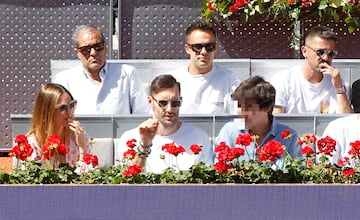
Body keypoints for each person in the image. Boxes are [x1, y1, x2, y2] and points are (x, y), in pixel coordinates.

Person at [116, 74, 214, 174]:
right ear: (150, 101)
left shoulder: (199, 138)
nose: (169, 109)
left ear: (181, 101)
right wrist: (144, 146)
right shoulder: (129, 138)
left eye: (175, 103)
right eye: (163, 103)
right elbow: (129, 183)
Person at [53, 24, 149, 115]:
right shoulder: (65, 80)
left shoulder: (127, 74)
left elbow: (142, 113)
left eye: (98, 47)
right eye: (86, 49)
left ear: (105, 47)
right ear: (77, 53)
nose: (93, 53)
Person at [215, 76, 302, 168]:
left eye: (248, 107)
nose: (242, 112)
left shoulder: (290, 136)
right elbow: (219, 170)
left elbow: (297, 173)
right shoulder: (229, 131)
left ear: (266, 107)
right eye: (240, 106)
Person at [270, 26, 353, 114]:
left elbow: (348, 121)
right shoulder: (283, 80)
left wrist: (339, 88)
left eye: (331, 54)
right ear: (305, 51)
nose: (325, 57)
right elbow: (276, 119)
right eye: (320, 52)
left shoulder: (337, 82)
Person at [167, 21, 241, 114]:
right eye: (198, 47)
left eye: (209, 46)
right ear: (187, 49)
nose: (204, 52)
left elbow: (238, 117)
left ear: (215, 49)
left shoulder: (229, 80)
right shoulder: (172, 80)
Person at [26, 83, 92, 167]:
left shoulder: (78, 136)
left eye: (71, 105)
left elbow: (88, 177)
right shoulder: (33, 143)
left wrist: (82, 148)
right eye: (63, 108)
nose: (69, 112)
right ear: (48, 111)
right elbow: (32, 178)